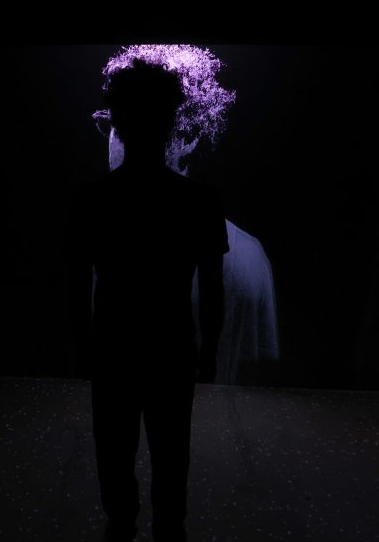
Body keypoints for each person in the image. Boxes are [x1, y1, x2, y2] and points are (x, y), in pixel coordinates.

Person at [69, 59, 228, 542]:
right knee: (171, 454)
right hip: (170, 347)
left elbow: (77, 285)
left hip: (114, 346)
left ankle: (122, 534)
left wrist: (81, 346)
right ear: (171, 123)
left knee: (114, 452)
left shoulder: (92, 199)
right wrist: (208, 353)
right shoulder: (200, 202)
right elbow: (212, 288)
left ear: (116, 120)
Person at [94, 44, 279, 385]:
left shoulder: (96, 220)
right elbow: (256, 378)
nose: (116, 138)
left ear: (187, 136)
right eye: (116, 123)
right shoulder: (248, 256)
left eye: (124, 123)